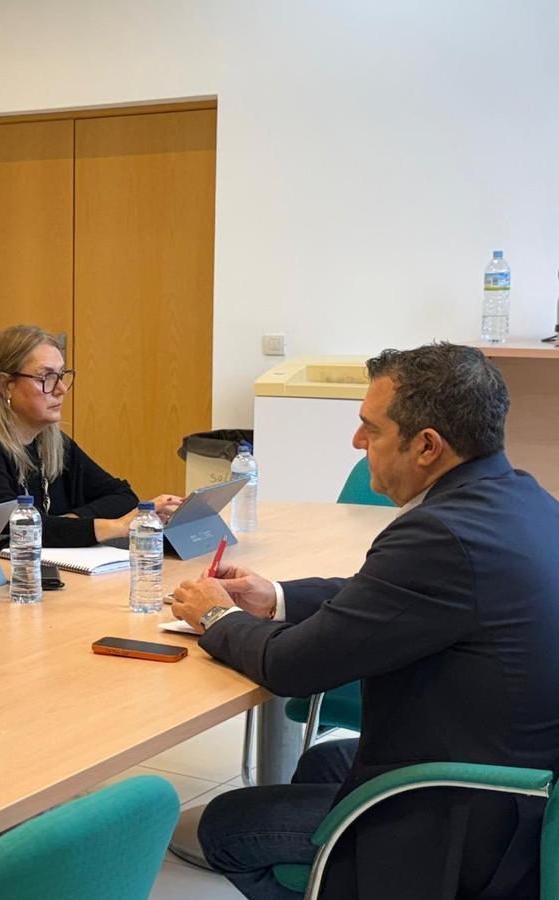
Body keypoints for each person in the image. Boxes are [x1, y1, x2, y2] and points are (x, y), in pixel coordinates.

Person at [171, 343, 559, 899]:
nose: (357, 442)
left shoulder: (440, 534)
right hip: (514, 779)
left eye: (371, 429)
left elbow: (291, 667)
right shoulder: (524, 498)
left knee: (225, 826)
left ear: (427, 446)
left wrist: (216, 615)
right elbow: (390, 597)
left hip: (471, 825)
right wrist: (273, 597)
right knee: (324, 762)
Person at [0, 324, 179, 547]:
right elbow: (13, 530)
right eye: (46, 377)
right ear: (5, 385)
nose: (62, 389)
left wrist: (65, 523)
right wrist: (112, 527)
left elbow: (122, 496)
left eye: (62, 375)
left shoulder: (50, 441)